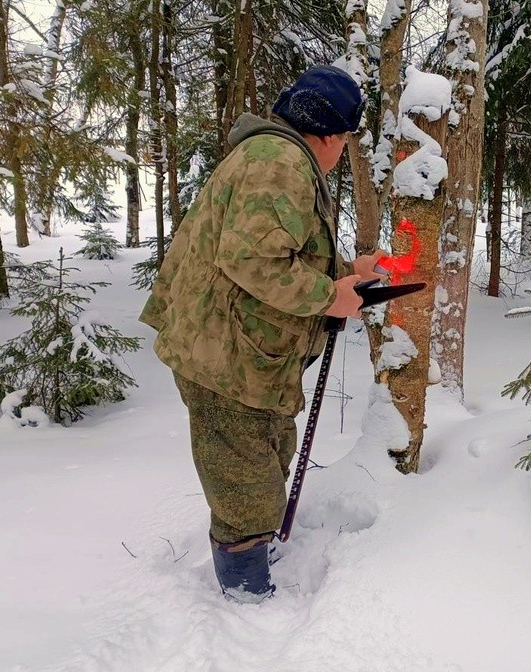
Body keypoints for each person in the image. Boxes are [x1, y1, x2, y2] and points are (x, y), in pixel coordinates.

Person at [139, 65, 385, 602]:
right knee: (245, 485)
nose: (342, 150)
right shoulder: (278, 164)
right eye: (344, 138)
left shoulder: (277, 159)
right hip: (226, 358)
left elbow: (284, 250)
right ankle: (247, 598)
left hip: (247, 355)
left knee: (264, 459)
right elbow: (251, 258)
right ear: (325, 133)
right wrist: (329, 296)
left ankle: (253, 556)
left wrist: (345, 273)